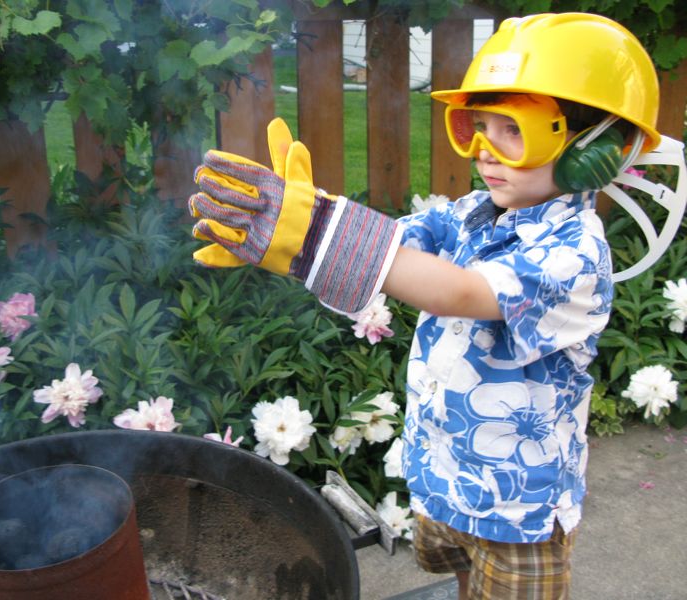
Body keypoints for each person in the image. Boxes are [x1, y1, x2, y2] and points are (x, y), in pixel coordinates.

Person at [187, 12, 681, 599]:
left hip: (516, 508)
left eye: (513, 130)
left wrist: (320, 235)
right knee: (460, 577)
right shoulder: (472, 210)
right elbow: (400, 245)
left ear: (595, 152)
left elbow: (461, 292)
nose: (484, 150)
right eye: (476, 126)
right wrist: (311, 229)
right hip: (445, 472)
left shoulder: (575, 255)